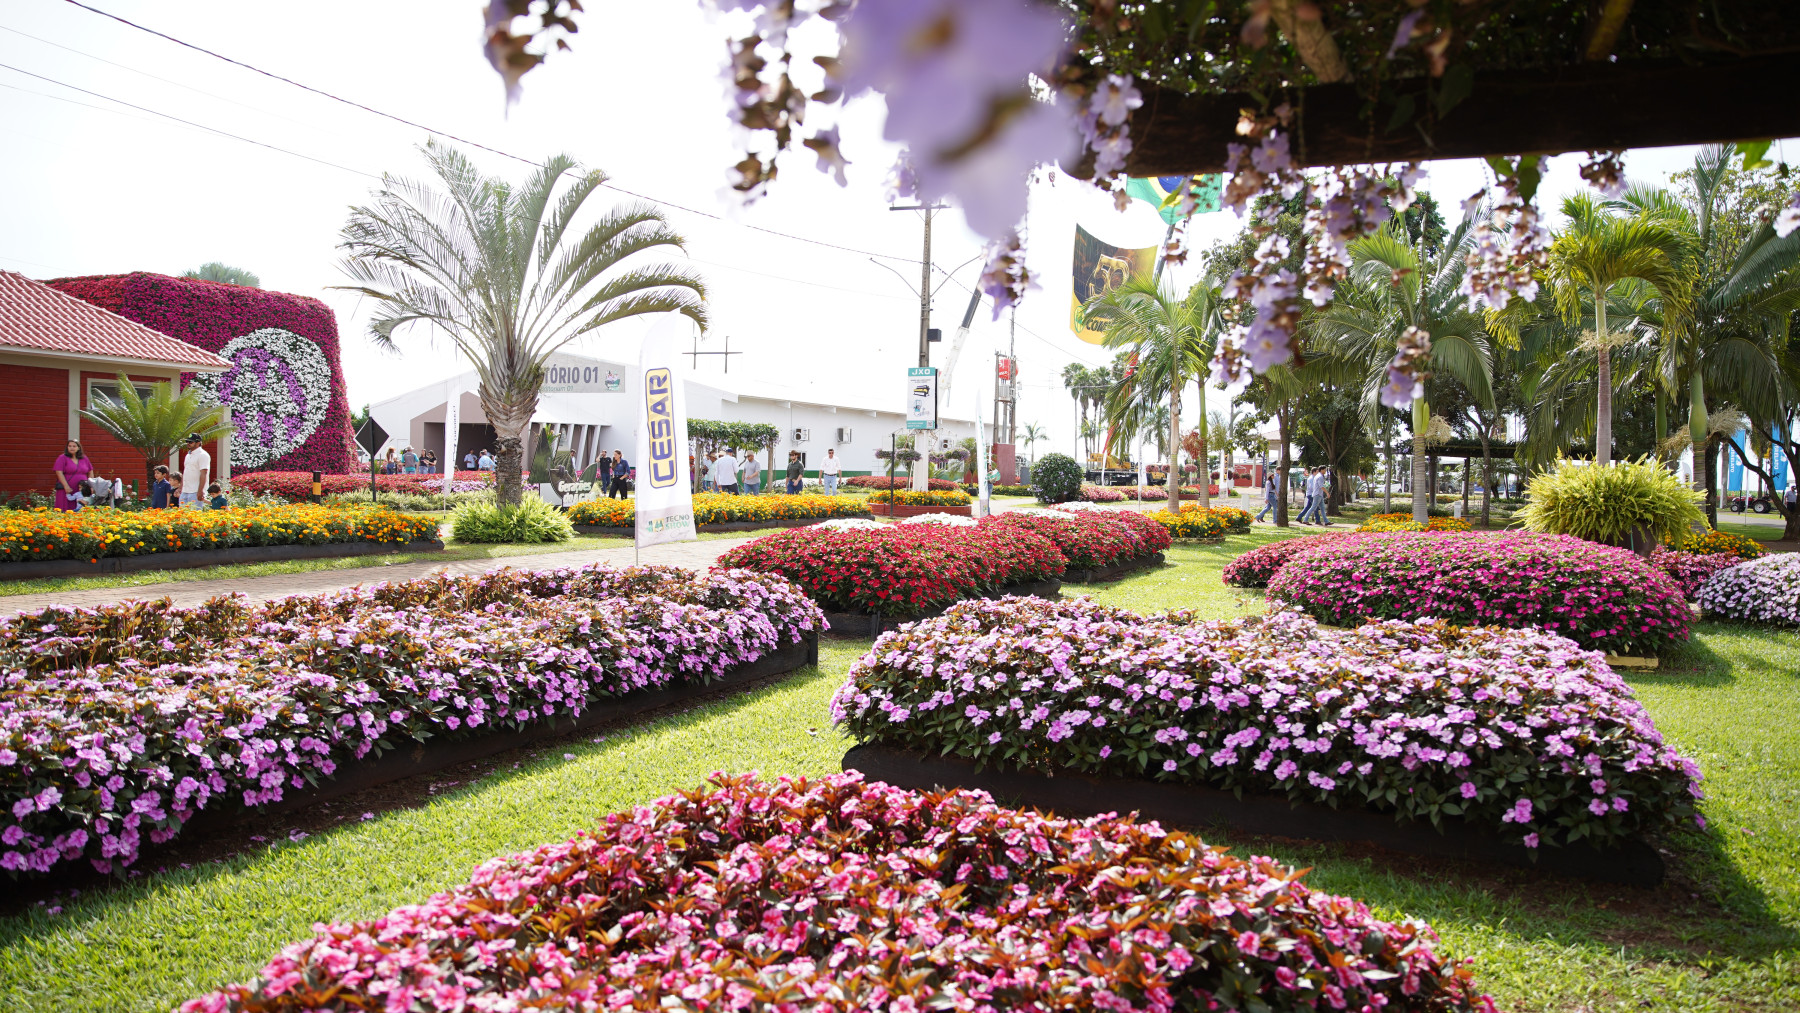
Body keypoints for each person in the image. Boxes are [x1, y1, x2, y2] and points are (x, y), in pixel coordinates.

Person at [52, 439, 92, 511]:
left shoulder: (84, 458)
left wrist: (91, 485)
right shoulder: (62, 458)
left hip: (82, 488)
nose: (72, 448)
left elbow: (90, 470)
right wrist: (66, 486)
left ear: (78, 448)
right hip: (68, 487)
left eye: (74, 446)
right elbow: (59, 472)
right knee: (66, 506)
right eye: (69, 446)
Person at [180, 433, 212, 509]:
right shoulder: (188, 455)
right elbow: (185, 473)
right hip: (185, 491)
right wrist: (180, 488)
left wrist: (200, 491)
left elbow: (204, 473)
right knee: (182, 517)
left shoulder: (203, 455)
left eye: (191, 442)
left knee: (194, 517)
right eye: (187, 441)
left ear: (198, 443)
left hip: (195, 491)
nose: (188, 443)